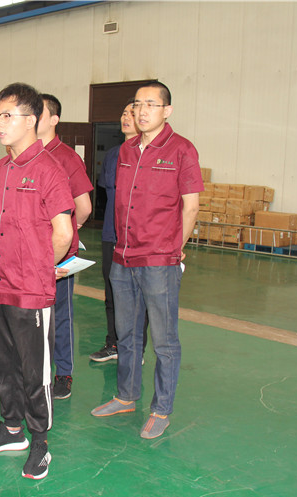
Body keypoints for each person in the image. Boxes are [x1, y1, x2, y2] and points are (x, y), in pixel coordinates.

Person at [90, 81, 202, 440]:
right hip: (123, 256)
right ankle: (125, 396)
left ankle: (161, 409)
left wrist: (174, 249)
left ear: (167, 111)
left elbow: (191, 206)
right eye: (138, 104)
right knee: (127, 333)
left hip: (159, 260)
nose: (142, 111)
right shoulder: (125, 151)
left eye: (151, 104)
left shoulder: (182, 149)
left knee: (164, 340)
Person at [0, 83, 73, 480]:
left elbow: (63, 232)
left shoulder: (49, 169)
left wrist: (40, 269)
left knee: (35, 372)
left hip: (30, 291)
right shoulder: (0, 169)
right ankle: (12, 429)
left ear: (31, 120)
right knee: (2, 365)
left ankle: (40, 441)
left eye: (8, 115)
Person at [36, 94, 94, 400]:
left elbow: (83, 207)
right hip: (28, 253)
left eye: (40, 113)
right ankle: (36, 369)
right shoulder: (23, 155)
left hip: (57, 254)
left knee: (60, 315)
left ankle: (64, 372)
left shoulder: (67, 157)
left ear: (54, 120)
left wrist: (68, 233)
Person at [89, 100, 150, 363]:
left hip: (139, 237)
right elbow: (108, 191)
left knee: (139, 295)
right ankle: (113, 343)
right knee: (112, 292)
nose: (127, 118)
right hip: (111, 234)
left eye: (132, 114)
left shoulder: (148, 155)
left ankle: (136, 348)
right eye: (124, 113)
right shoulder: (113, 155)